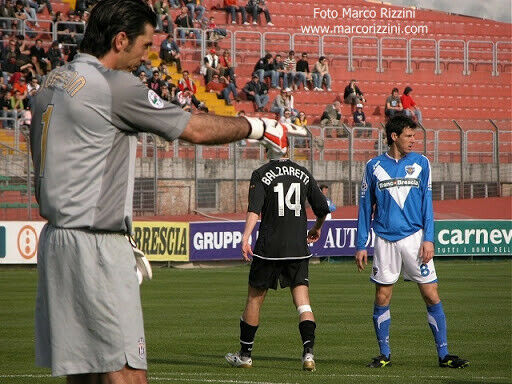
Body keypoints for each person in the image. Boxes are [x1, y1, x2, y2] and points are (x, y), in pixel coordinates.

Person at [30, 1, 297, 382]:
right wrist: (257, 126)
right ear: (120, 39)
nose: (146, 57)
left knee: (86, 376)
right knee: (127, 374)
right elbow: (196, 130)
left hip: (56, 243)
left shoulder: (52, 82)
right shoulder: (113, 85)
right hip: (96, 246)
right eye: (144, 45)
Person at [354, 115, 469, 370]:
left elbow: (427, 204)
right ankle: (384, 354)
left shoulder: (421, 163)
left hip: (415, 239)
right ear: (394, 137)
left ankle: (444, 355)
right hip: (384, 239)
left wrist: (429, 238)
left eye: (415, 136)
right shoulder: (373, 166)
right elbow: (365, 208)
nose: (414, 140)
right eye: (409, 136)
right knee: (382, 295)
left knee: (431, 293)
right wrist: (361, 243)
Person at [225, 144, 330, 372]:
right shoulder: (303, 172)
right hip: (297, 247)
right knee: (303, 303)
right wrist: (317, 228)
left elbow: (254, 209)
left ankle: (245, 355)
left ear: (266, 152)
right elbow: (322, 208)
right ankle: (308, 354)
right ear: (288, 151)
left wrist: (245, 238)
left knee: (255, 299)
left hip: (269, 247)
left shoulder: (261, 173)